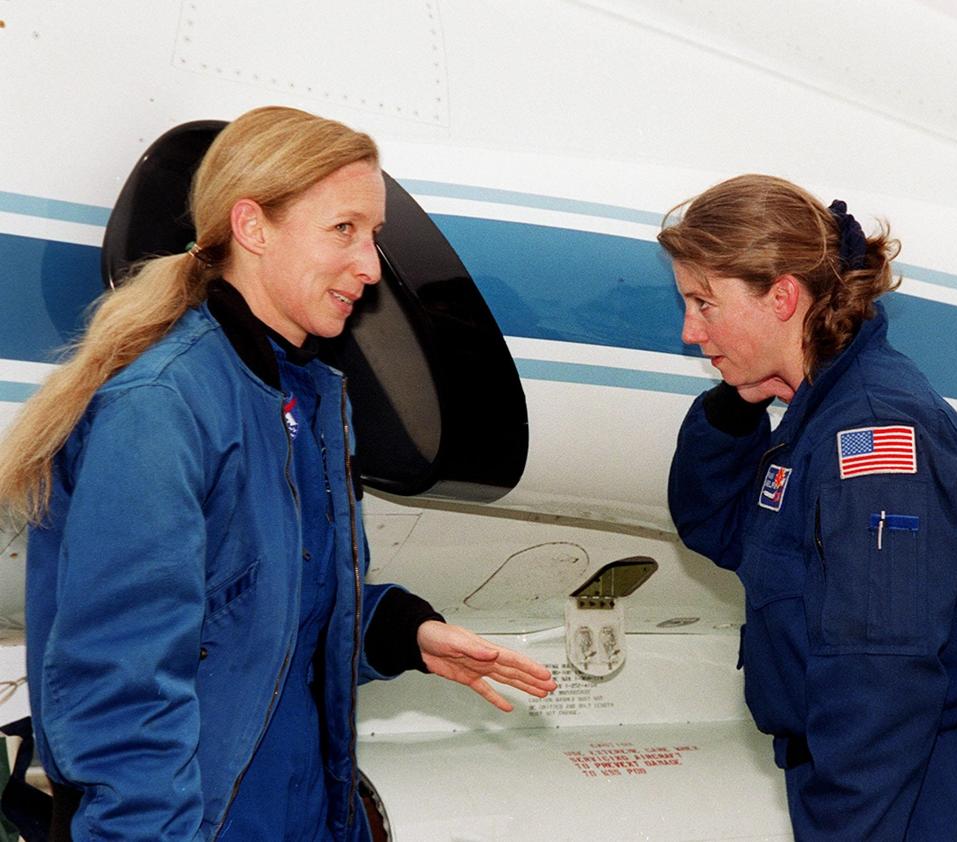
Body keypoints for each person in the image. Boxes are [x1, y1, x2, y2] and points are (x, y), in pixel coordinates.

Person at [0, 106, 556, 841]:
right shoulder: (164, 407)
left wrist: (394, 632)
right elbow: (120, 689)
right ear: (254, 228)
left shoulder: (304, 393)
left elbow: (255, 613)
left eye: (374, 235)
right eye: (343, 229)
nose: (369, 266)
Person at [659, 174, 957, 840]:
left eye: (704, 302)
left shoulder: (871, 437)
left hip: (917, 797)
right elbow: (719, 528)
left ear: (782, 295)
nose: (691, 331)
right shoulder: (818, 424)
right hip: (876, 787)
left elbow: (882, 678)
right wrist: (733, 403)